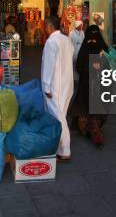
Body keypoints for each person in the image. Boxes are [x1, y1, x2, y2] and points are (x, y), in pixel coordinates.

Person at [41, 15, 74, 160]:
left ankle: (65, 150)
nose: (43, 30)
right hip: (67, 83)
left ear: (49, 27)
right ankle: (59, 147)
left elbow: (49, 66)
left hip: (56, 86)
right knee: (61, 114)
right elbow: (72, 54)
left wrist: (47, 88)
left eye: (44, 27)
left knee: (58, 117)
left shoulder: (51, 42)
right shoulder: (66, 39)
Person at [71, 25, 108, 147]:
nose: (92, 42)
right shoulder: (102, 47)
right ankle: (93, 130)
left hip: (91, 85)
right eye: (90, 40)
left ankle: (92, 130)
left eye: (94, 39)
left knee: (88, 107)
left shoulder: (86, 47)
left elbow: (79, 67)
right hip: (94, 85)